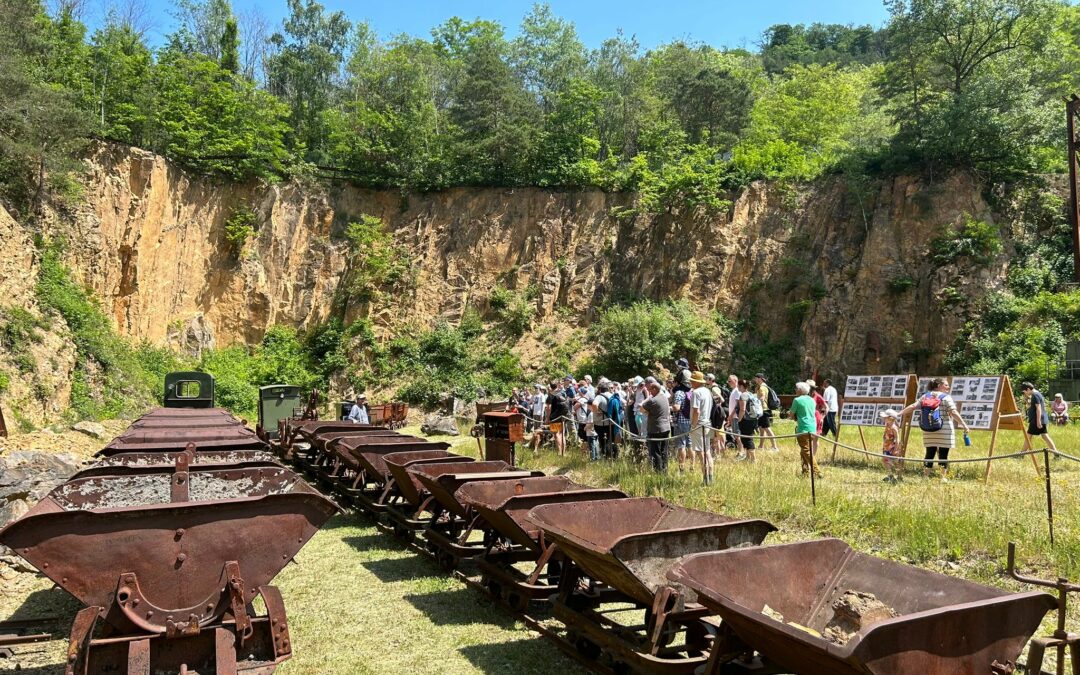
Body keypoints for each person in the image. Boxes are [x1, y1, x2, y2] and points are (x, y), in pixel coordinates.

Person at [899, 377, 969, 481]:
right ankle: (942, 477)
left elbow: (913, 406)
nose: (948, 387)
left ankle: (926, 477)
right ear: (939, 385)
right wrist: (964, 424)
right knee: (943, 454)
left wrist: (899, 413)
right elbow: (953, 412)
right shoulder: (946, 397)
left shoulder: (925, 396)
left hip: (928, 430)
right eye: (946, 385)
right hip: (944, 430)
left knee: (929, 453)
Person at [689, 371, 715, 485]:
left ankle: (705, 480)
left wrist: (693, 425)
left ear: (696, 381)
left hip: (699, 425)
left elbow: (696, 411)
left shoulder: (696, 392)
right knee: (707, 451)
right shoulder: (708, 391)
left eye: (692, 380)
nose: (690, 382)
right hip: (707, 423)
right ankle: (711, 478)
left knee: (701, 453)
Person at [790, 382, 821, 477]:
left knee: (806, 451)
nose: (795, 390)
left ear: (800, 390)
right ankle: (805, 472)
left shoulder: (797, 400)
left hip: (803, 428)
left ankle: (817, 471)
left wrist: (791, 416)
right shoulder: (812, 400)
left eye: (796, 388)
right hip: (812, 428)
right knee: (803, 451)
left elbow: (791, 415)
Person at [641, 380, 671, 472]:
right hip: (666, 428)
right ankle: (664, 470)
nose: (649, 392)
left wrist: (648, 397)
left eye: (650, 390)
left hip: (655, 429)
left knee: (655, 452)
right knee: (664, 450)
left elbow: (641, 408)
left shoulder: (652, 400)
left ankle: (658, 472)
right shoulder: (665, 397)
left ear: (655, 389)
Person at [1021, 382, 1058, 455]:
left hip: (1037, 420)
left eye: (1025, 391)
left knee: (1029, 436)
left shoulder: (1035, 395)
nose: (1025, 393)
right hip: (1038, 419)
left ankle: (1021, 454)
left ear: (1028, 389)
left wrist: (1038, 422)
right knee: (1044, 436)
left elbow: (1038, 408)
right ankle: (1056, 454)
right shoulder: (1037, 393)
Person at [671, 369, 693, 471]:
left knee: (681, 445)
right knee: (690, 444)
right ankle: (692, 466)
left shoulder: (679, 392)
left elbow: (677, 407)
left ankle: (681, 468)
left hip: (680, 421)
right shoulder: (691, 391)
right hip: (690, 421)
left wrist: (670, 407)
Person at [735, 379, 760, 463]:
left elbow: (742, 409)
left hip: (746, 420)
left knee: (748, 439)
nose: (737, 387)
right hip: (753, 419)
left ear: (741, 386)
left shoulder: (743, 396)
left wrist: (739, 419)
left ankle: (753, 459)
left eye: (738, 386)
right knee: (745, 439)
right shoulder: (751, 394)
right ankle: (748, 457)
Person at [753, 373, 780, 451]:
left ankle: (775, 447)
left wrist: (755, 400)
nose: (755, 380)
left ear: (760, 378)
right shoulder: (763, 386)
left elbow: (762, 398)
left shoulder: (762, 387)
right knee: (762, 428)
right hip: (763, 410)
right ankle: (761, 446)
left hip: (763, 410)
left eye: (756, 378)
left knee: (767, 429)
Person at [545, 380, 569, 457]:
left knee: (556, 435)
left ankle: (559, 452)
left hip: (554, 417)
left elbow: (548, 408)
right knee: (562, 434)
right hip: (563, 416)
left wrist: (547, 418)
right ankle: (564, 452)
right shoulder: (562, 392)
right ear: (557, 385)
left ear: (550, 386)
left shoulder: (550, 395)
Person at [592, 382, 615, 459]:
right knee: (610, 440)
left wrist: (596, 411)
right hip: (612, 422)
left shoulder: (599, 397)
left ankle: (604, 457)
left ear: (599, 389)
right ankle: (612, 457)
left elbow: (594, 404)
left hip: (601, 423)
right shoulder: (612, 395)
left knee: (602, 442)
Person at [879, 409, 903, 483]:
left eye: (885, 417)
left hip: (892, 448)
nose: (884, 419)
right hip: (886, 447)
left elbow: (897, 439)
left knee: (896, 462)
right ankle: (890, 475)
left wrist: (896, 449)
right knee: (885, 461)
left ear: (891, 418)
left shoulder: (894, 428)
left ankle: (899, 476)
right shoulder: (887, 425)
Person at [573, 383, 596, 459]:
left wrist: (575, 402)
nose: (578, 393)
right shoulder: (586, 399)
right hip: (585, 420)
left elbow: (575, 407)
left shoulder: (582, 399)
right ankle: (586, 453)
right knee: (586, 438)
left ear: (582, 393)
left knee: (583, 439)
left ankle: (584, 454)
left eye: (579, 392)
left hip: (582, 421)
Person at [807, 380, 827, 457]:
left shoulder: (817, 396)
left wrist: (822, 418)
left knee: (815, 438)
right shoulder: (805, 396)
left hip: (816, 418)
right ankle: (808, 455)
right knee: (808, 438)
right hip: (808, 418)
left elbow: (826, 407)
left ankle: (813, 456)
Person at [725, 374, 743, 455]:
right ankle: (740, 450)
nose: (728, 382)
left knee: (737, 435)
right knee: (736, 435)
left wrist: (731, 416)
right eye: (728, 381)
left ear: (735, 381)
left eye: (730, 381)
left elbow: (737, 405)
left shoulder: (737, 391)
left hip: (735, 417)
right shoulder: (734, 390)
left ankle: (741, 451)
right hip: (733, 416)